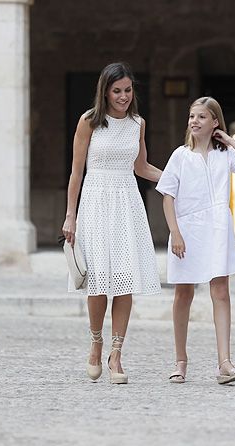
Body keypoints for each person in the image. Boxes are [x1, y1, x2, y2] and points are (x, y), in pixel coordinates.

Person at [61, 62, 162, 385]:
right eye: (117, 91)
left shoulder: (137, 124)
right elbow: (76, 172)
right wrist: (70, 216)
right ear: (105, 91)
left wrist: (177, 179)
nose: (123, 97)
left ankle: (117, 353)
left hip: (127, 202)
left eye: (128, 90)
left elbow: (142, 167)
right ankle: (96, 342)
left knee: (124, 279)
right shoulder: (89, 122)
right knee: (98, 281)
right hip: (94, 202)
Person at [156, 97, 235, 385]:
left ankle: (225, 362)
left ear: (214, 122)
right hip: (187, 230)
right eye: (192, 116)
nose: (194, 121)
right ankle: (180, 360)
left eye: (202, 116)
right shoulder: (180, 155)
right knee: (183, 294)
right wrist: (175, 232)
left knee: (221, 291)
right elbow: (168, 197)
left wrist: (228, 139)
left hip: (217, 229)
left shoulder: (224, 153)